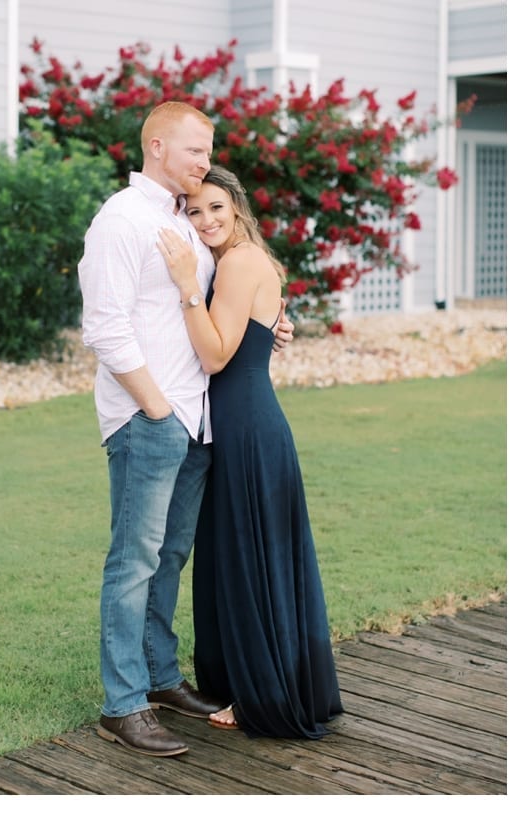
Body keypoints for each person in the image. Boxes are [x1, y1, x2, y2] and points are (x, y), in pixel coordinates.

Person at [78, 101, 293, 757]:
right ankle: (123, 703)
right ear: (158, 144)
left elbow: (213, 309)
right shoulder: (120, 220)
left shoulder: (181, 219)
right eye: (197, 150)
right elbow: (105, 326)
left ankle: (163, 678)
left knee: (170, 557)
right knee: (134, 558)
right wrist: (155, 409)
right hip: (152, 420)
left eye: (208, 151)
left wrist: (271, 326)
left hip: (197, 421)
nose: (206, 163)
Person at [156, 165, 344, 738]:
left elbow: (214, 357)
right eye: (194, 211)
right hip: (239, 421)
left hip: (246, 428)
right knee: (242, 558)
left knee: (248, 560)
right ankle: (244, 680)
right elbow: (251, 338)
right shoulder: (242, 260)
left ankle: (262, 695)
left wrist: (188, 284)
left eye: (216, 208)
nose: (206, 220)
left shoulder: (235, 263)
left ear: (236, 207)